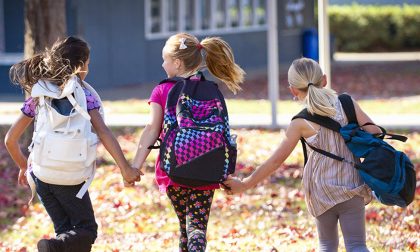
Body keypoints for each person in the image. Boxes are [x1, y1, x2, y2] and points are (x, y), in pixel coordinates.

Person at [223, 57, 380, 252]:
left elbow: (275, 162)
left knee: (327, 246)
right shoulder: (347, 104)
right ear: (324, 80)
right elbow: (376, 134)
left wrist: (245, 184)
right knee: (357, 245)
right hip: (352, 184)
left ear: (293, 90)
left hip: (320, 191)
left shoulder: (300, 123)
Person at [4, 36, 142, 252]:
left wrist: (25, 166)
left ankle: (54, 246)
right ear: (79, 66)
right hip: (70, 177)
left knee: (66, 234)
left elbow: (10, 139)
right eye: (87, 64)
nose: (87, 69)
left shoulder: (39, 95)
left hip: (42, 177)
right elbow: (104, 132)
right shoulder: (86, 96)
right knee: (86, 230)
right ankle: (51, 246)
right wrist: (125, 168)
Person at [132, 32, 245, 251]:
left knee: (185, 228)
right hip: (208, 167)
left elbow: (152, 130)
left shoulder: (162, 90)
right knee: (196, 227)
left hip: (174, 168)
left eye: (165, 59)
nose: (163, 64)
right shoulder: (211, 90)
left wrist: (135, 166)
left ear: (176, 62)